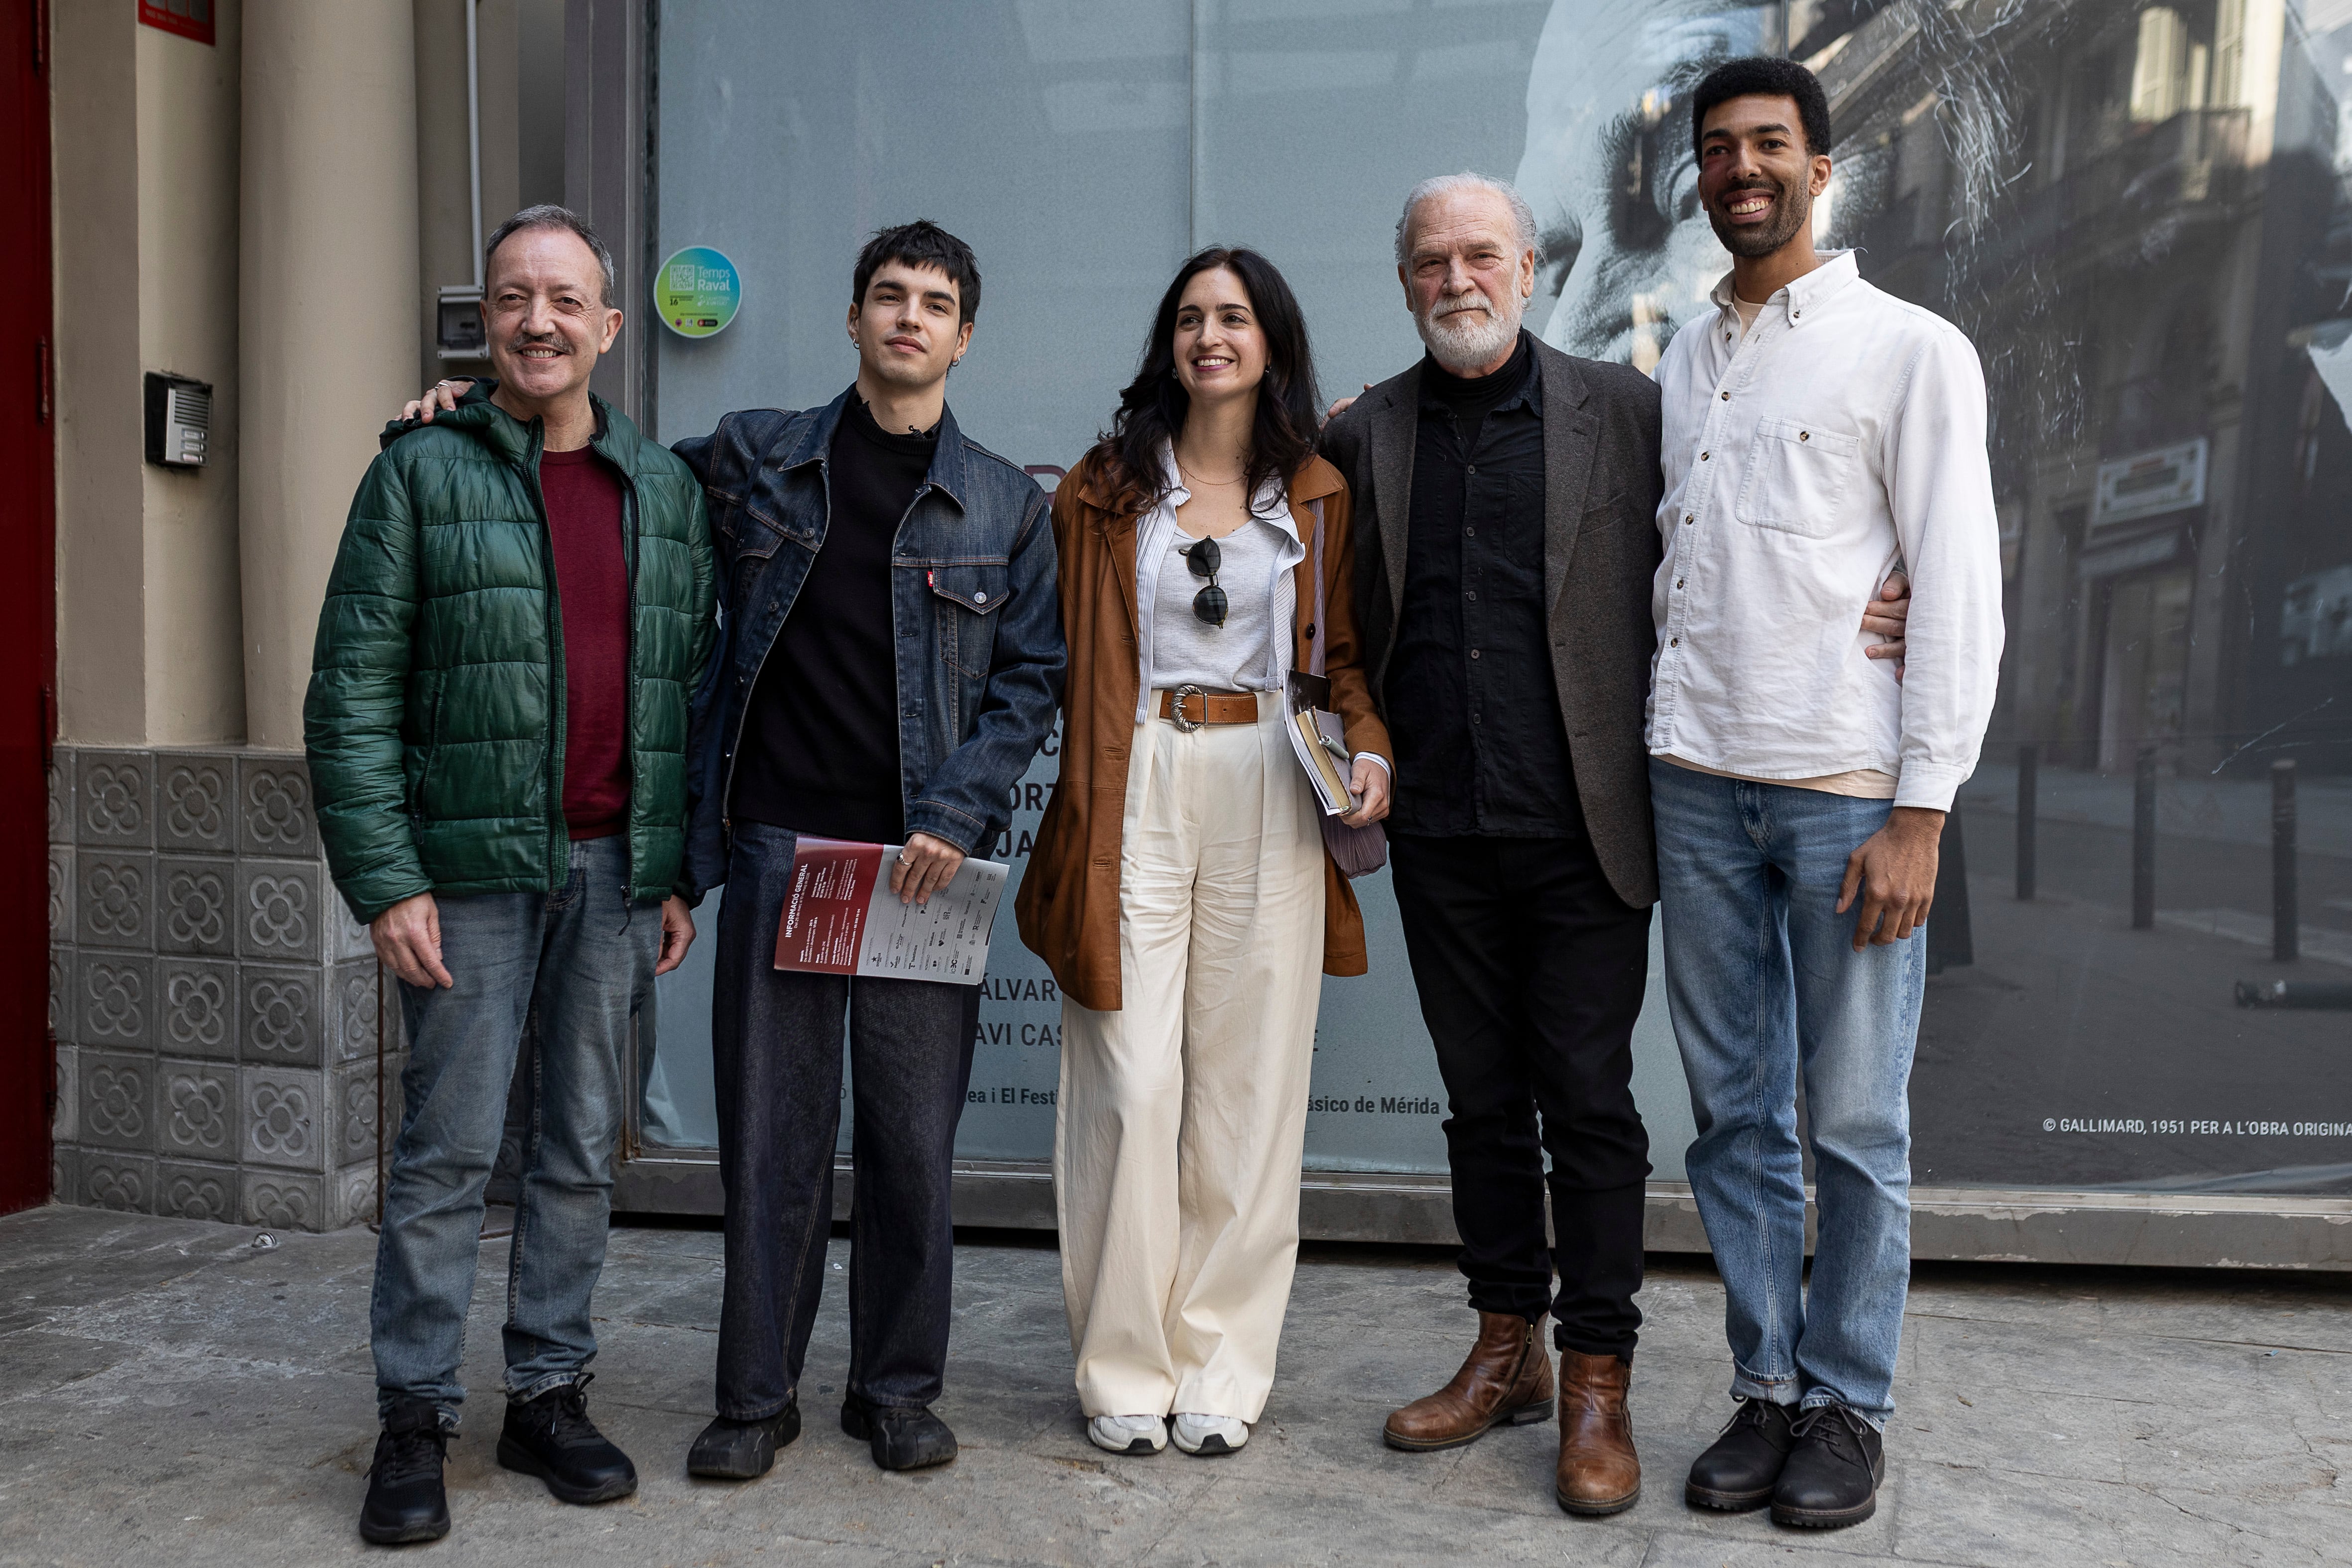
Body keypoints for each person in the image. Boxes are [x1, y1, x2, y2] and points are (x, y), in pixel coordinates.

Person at [405, 222, 1062, 1482]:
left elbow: (1031, 680)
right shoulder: (760, 457)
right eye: (887, 295)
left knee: (915, 1146)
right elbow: (601, 458)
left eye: (934, 303)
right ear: (855, 317)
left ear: (964, 335)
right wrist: (467, 409)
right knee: (772, 1141)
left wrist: (962, 810)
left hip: (922, 862)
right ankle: (756, 1398)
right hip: (779, 850)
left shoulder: (1002, 503)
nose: (909, 318)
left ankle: (897, 1390)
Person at [1319, 172, 1919, 1520]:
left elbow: (1758, 529)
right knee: (1479, 1101)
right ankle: (1503, 1349)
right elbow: (1297, 571)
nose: (1455, 278)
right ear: (1402, 279)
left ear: (1528, 270)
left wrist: (1894, 582)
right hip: (1439, 827)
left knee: (1586, 1106)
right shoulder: (1364, 435)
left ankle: (1597, 1374)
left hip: (1588, 823)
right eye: (1429, 260)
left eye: (1481, 254)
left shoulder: (1634, 408)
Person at [310, 204, 716, 1547]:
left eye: (563, 298)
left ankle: (548, 1391)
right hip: (469, 876)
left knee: (577, 1150)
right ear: (483, 322)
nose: (536, 318)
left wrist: (669, 870)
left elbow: (679, 692)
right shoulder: (419, 473)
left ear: (609, 326)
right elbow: (351, 694)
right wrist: (386, 880)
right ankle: (416, 1413)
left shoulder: (661, 488)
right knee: (445, 1152)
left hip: (610, 877)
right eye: (509, 297)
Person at [1649, 59, 2002, 1531]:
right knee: (1733, 1116)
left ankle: (1850, 1402)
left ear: (1821, 168)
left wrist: (1920, 807)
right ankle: (1768, 1381)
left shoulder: (1909, 349)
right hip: (1691, 774)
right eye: (1719, 149)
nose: (1742, 168)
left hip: (1844, 790)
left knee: (1853, 1118)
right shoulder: (1680, 355)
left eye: (1769, 146)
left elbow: (1960, 587)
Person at [1017, 249, 1393, 1460]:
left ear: (1271, 342)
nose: (1209, 335)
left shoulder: (1321, 492)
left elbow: (1345, 673)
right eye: (1189, 317)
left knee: (1246, 1088)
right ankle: (1123, 1363)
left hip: (1272, 783)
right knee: (1127, 1080)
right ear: (1166, 344)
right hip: (1134, 775)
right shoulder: (1102, 488)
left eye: (1232, 317)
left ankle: (1221, 1362)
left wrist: (1370, 754)